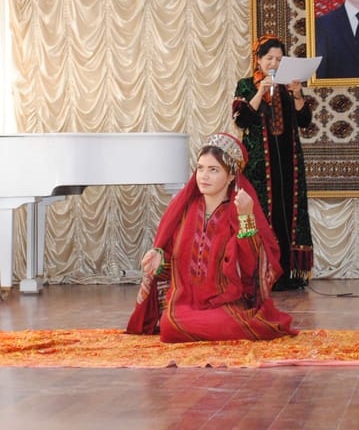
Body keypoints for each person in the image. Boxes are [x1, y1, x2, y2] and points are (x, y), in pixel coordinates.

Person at [126, 133, 296, 342]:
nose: (203, 176)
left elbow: (251, 268)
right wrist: (159, 261)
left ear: (231, 175)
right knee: (170, 328)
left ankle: (244, 325)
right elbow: (171, 260)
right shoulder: (184, 210)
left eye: (213, 170)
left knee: (224, 323)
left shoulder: (239, 209)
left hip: (226, 302)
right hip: (185, 302)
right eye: (200, 168)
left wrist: (246, 218)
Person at [232, 35, 314, 290]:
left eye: (279, 59)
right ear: (258, 60)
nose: (274, 63)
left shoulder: (289, 86)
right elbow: (241, 120)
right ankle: (262, 272)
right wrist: (260, 92)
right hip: (259, 166)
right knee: (263, 215)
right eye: (269, 58)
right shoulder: (246, 85)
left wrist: (298, 94)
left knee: (288, 213)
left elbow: (305, 121)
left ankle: (289, 273)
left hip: (289, 163)